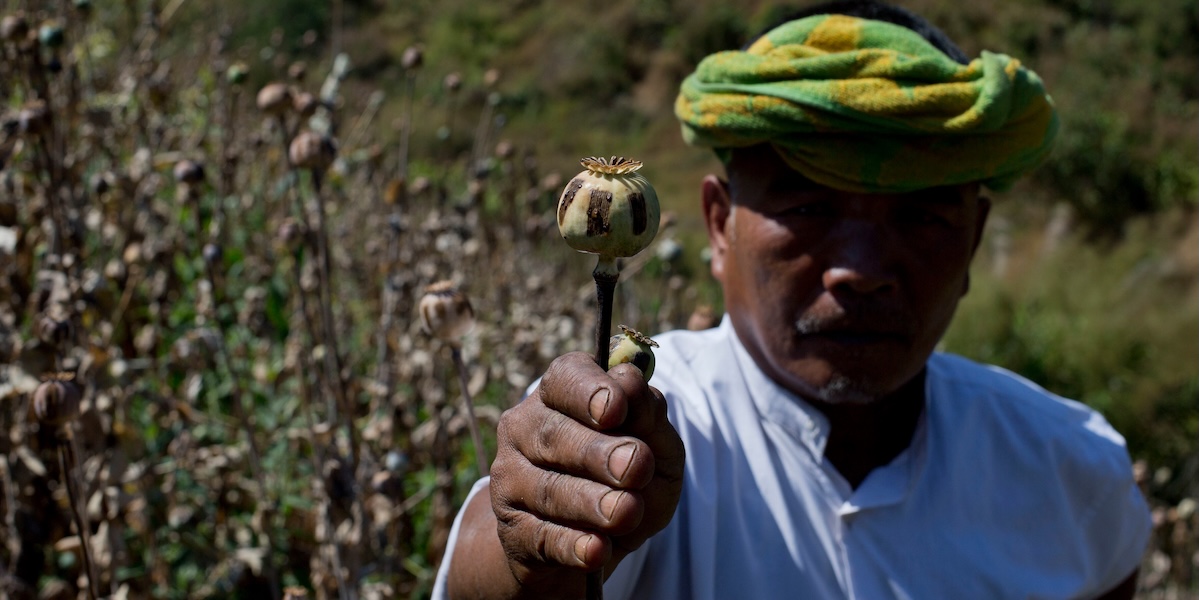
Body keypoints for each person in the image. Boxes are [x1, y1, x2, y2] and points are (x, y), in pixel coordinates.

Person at [432, 1, 1152, 598]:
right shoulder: (636, 428)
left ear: (974, 242)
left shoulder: (1072, 471)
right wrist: (530, 550)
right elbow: (494, 560)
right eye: (808, 209)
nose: (860, 271)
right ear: (719, 225)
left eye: (920, 217)